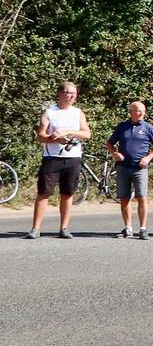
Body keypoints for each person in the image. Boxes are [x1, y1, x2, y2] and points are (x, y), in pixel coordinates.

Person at [27, 81, 91, 239]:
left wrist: (68, 132)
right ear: (61, 94)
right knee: (43, 193)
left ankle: (64, 228)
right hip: (52, 158)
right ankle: (36, 228)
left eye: (75, 94)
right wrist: (55, 139)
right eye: (70, 93)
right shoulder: (49, 112)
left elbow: (87, 134)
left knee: (67, 193)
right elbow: (41, 136)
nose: (73, 96)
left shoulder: (78, 113)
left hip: (73, 158)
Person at [106, 101, 153, 239]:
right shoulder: (122, 127)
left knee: (141, 197)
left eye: (143, 111)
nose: (141, 113)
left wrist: (148, 158)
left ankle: (143, 228)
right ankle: (128, 227)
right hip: (123, 167)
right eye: (138, 110)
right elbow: (110, 143)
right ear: (131, 111)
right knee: (124, 198)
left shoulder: (148, 127)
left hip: (140, 168)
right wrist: (114, 153)